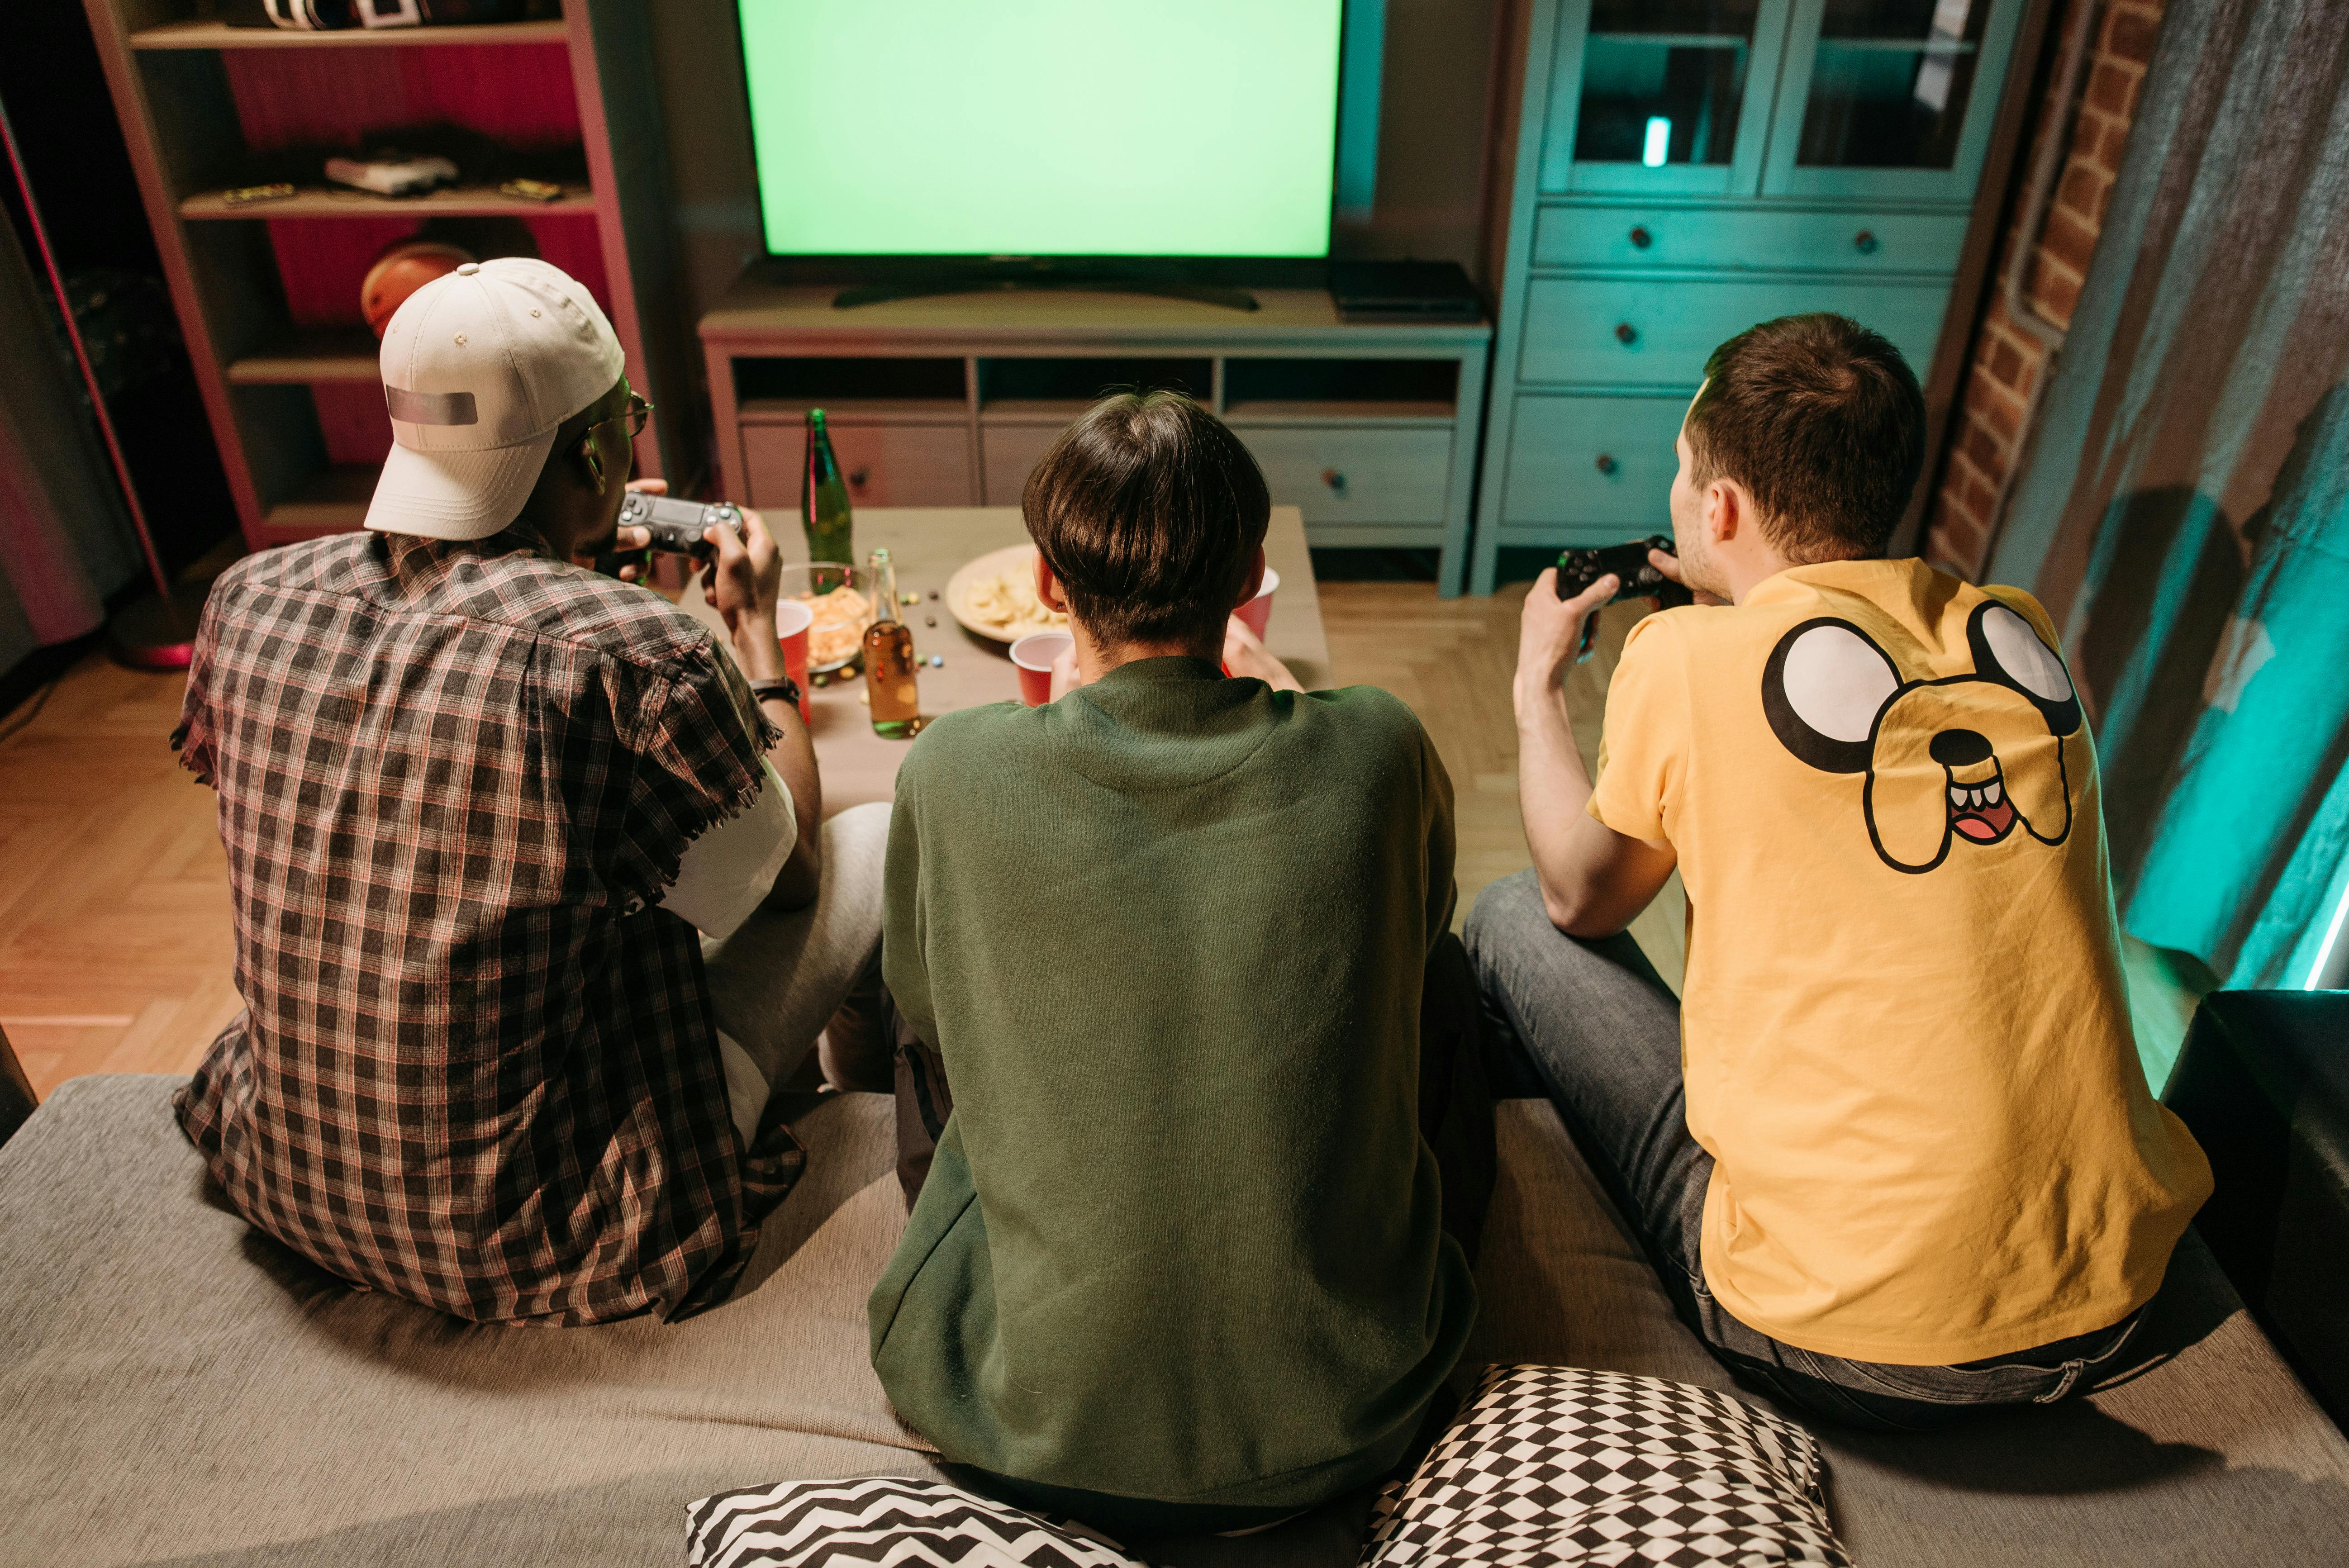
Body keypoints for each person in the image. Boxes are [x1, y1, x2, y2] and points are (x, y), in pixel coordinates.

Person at [1467, 313, 2212, 1430]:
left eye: (1683, 473)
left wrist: (1536, 680)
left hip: (1842, 1336)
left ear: (1718, 509)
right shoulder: (2020, 635)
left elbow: (1584, 892)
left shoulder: (1681, 660)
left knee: (1514, 915)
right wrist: (1737, 602)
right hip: (2117, 1294)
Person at [172, 258, 889, 1325]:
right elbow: (788, 881)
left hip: (290, 1173)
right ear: (600, 449)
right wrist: (749, 633)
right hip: (545, 1224)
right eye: (628, 421)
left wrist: (580, 581)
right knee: (867, 834)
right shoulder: (639, 654)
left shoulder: (247, 595)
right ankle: (860, 1111)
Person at [867, 391, 1486, 1538]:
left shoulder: (949, 768)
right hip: (1350, 1416)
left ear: (1048, 586)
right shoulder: (1382, 747)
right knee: (1436, 966)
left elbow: (927, 1010)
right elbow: (1415, 918)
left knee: (924, 1004)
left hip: (1018, 1423)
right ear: (1254, 575)